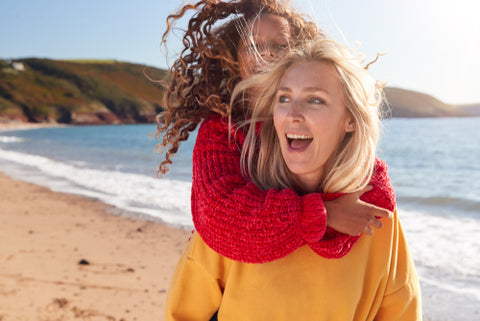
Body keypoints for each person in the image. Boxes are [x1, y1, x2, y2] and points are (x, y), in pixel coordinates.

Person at [165, 38, 422, 321]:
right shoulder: (238, 213)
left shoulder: (375, 211)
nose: (292, 114)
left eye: (315, 100)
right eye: (283, 98)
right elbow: (184, 313)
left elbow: (402, 311)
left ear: (350, 118)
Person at [157, 0, 394, 263]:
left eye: (279, 45)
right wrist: (322, 214)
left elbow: (374, 188)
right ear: (235, 57)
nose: (265, 54)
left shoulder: (320, 122)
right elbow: (219, 216)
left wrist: (330, 221)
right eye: (252, 45)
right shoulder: (221, 130)